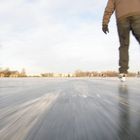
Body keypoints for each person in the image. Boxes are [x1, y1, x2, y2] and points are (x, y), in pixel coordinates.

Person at [102, 0, 140, 81]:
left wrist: (105, 23)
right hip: (137, 14)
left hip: (122, 18)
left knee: (124, 45)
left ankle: (123, 72)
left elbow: (109, 8)